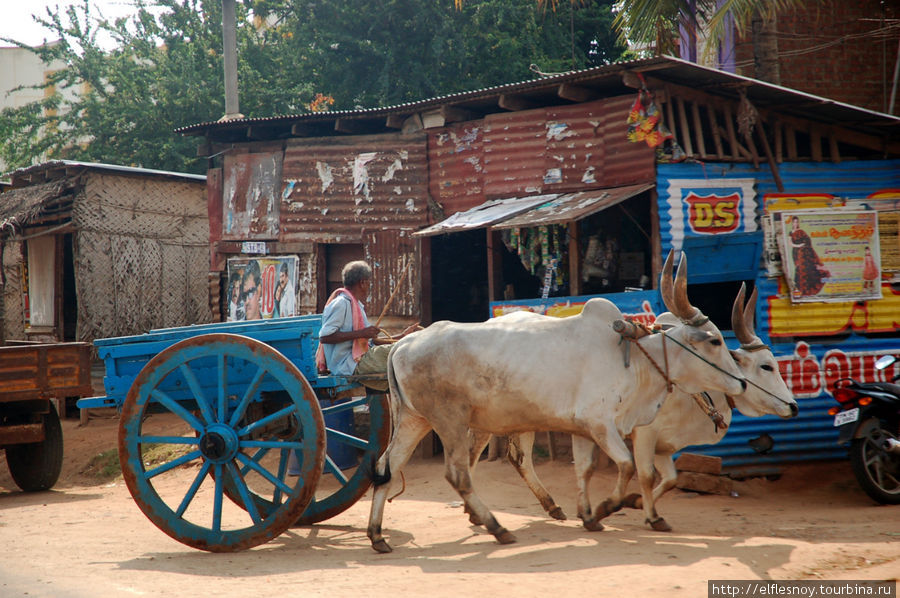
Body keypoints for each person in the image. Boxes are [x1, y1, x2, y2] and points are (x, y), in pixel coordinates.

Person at [316, 260, 419, 391]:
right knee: (404, 354)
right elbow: (325, 337)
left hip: (360, 357)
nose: (370, 286)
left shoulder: (356, 305)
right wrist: (362, 333)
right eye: (369, 282)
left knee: (402, 348)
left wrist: (402, 337)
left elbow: (372, 341)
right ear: (362, 283)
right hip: (349, 363)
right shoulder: (342, 303)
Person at [787, 215, 829, 296]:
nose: (795, 224)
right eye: (794, 222)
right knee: (798, 268)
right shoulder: (791, 232)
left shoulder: (801, 231)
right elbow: (790, 243)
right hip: (796, 252)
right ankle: (799, 289)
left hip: (803, 252)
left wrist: (803, 246)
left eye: (797, 222)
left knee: (805, 268)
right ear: (792, 223)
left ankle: (806, 289)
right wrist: (798, 246)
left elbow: (808, 240)